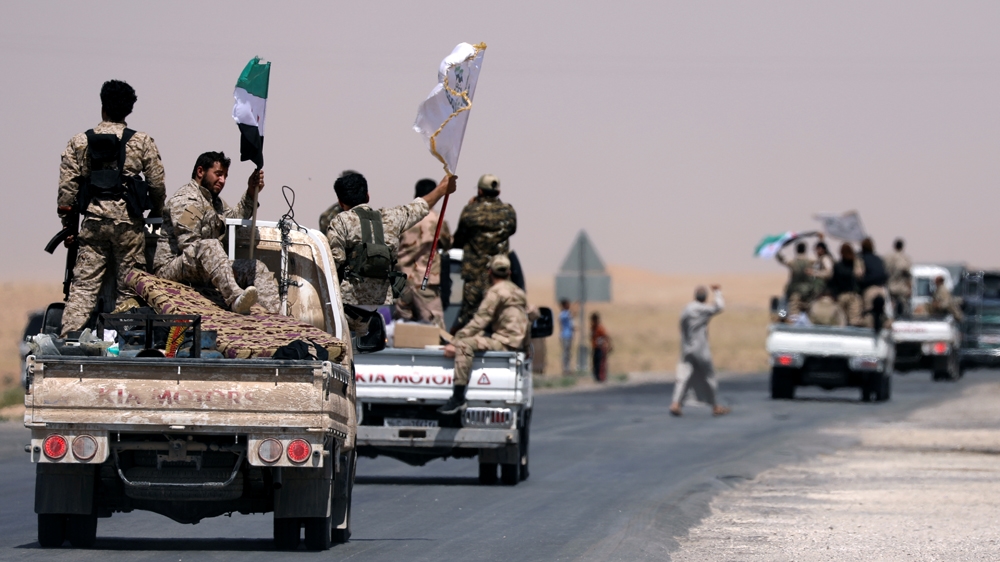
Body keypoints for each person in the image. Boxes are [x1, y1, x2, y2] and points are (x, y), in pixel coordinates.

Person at [58, 79, 166, 335]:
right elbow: (157, 184)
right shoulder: (142, 141)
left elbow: (66, 192)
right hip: (129, 227)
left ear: (103, 106)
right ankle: (120, 340)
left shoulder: (79, 142)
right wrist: (156, 211)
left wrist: (68, 227)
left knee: (84, 287)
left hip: (93, 224)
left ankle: (68, 338)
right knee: (128, 287)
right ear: (129, 110)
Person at [327, 172, 456, 334]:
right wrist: (442, 189)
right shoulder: (391, 218)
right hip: (379, 300)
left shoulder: (340, 222)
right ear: (367, 196)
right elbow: (421, 206)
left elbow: (334, 262)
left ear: (340, 202)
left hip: (349, 303)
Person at [153, 151, 277, 314]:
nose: (222, 180)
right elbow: (189, 246)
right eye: (218, 174)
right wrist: (222, 270)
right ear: (200, 172)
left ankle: (274, 315)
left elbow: (234, 218)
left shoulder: (214, 201)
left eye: (225, 176)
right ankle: (235, 299)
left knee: (256, 268)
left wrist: (251, 192)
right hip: (171, 269)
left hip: (204, 264)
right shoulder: (186, 199)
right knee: (209, 246)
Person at [438, 254, 528, 414]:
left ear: (489, 272)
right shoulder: (519, 292)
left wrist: (456, 340)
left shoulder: (496, 292)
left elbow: (480, 320)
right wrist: (526, 348)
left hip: (503, 342)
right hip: (515, 343)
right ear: (509, 273)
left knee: (465, 345)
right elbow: (526, 320)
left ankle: (458, 397)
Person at [451, 173, 517, 332]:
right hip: (499, 277)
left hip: (474, 277)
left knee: (470, 320)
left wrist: (472, 207)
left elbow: (459, 239)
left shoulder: (470, 212)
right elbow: (512, 230)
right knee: (501, 317)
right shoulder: (508, 212)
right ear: (498, 192)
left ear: (479, 191)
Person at [394, 178, 452, 328]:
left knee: (402, 330)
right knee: (434, 330)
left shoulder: (404, 216)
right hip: (424, 282)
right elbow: (447, 243)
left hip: (402, 282)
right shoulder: (436, 219)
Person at [670, 285, 729, 417]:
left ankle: (676, 403)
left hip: (687, 347)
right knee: (709, 377)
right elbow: (719, 306)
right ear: (705, 298)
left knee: (683, 376)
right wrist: (717, 292)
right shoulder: (703, 309)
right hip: (701, 349)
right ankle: (715, 405)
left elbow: (681, 325)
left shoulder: (686, 309)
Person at [776, 242, 813, 320]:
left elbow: (782, 260)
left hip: (794, 291)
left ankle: (782, 316)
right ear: (805, 250)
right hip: (808, 291)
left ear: (796, 250)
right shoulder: (810, 261)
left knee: (784, 303)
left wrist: (777, 250)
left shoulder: (792, 262)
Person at [830, 243, 865, 326]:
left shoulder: (838, 266)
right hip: (853, 295)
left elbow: (833, 283)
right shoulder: (855, 264)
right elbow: (861, 279)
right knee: (854, 322)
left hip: (841, 296)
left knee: (841, 322)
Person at [858, 237, 889, 327]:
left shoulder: (862, 259)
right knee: (881, 315)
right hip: (881, 289)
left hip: (869, 290)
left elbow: (860, 274)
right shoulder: (878, 259)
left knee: (869, 315)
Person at [884, 238, 913, 317]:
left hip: (890, 286)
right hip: (901, 287)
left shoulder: (887, 257)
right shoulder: (905, 258)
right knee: (903, 308)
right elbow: (907, 273)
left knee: (892, 307)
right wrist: (910, 287)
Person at [590, 312, 612, 382]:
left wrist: (609, 345)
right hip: (595, 347)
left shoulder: (600, 328)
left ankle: (601, 377)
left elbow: (606, 336)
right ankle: (596, 376)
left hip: (601, 348)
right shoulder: (593, 328)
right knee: (595, 362)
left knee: (601, 363)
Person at [558, 299, 575, 374]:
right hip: (565, 335)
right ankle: (565, 369)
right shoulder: (563, 314)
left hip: (569, 335)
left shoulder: (567, 313)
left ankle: (568, 368)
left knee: (568, 353)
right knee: (565, 353)